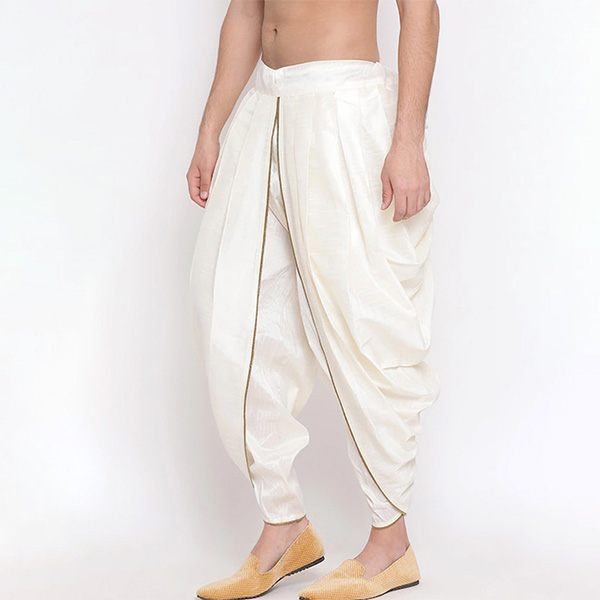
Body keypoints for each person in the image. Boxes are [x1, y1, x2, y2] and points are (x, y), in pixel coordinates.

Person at [187, 1, 440, 599]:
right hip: (263, 108)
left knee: (361, 323)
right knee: (237, 313)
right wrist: (209, 127)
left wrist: (408, 139)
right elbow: (246, 13)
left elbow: (421, 11)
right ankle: (284, 526)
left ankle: (391, 542)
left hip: (342, 107)